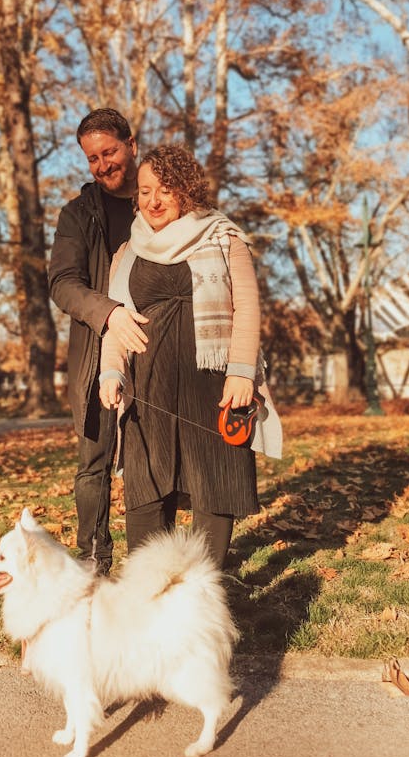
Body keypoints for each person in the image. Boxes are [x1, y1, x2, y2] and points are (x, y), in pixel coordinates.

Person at [99, 144, 282, 569]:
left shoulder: (223, 237)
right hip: (149, 383)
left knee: (214, 482)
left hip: (213, 382)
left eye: (165, 190)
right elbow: (118, 322)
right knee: (147, 484)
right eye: (145, 192)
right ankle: (148, 590)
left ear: (187, 191)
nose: (153, 201)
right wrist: (111, 372)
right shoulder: (127, 255)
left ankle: (205, 586)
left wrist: (241, 373)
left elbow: (248, 308)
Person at [48, 108, 150, 575]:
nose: (102, 165)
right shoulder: (77, 213)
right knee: (94, 463)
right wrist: (106, 313)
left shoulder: (158, 199)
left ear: (132, 143)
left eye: (108, 152)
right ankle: (93, 560)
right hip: (95, 352)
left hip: (156, 349)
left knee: (152, 460)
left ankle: (149, 564)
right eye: (92, 158)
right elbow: (62, 283)